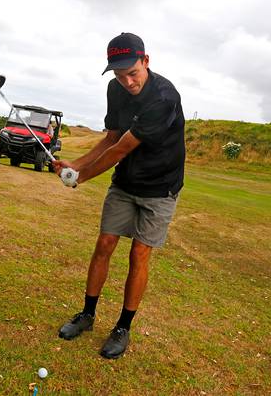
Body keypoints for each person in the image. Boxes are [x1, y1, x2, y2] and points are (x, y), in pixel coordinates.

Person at [53, 32, 186, 359]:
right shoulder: (115, 88)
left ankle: (122, 328)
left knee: (139, 254)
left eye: (133, 72)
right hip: (126, 183)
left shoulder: (163, 98)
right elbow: (111, 137)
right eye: (119, 74)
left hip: (160, 188)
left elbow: (121, 149)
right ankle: (87, 314)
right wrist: (76, 164)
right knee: (104, 243)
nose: (127, 81)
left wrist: (80, 178)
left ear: (146, 61)